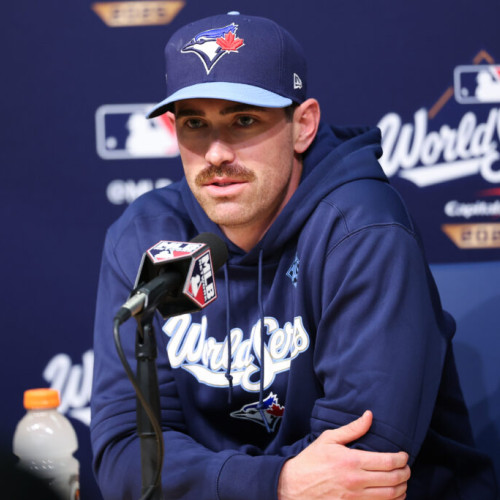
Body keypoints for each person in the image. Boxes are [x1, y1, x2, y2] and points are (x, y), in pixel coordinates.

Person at [90, 11, 499, 500]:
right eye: (195, 124)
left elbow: (363, 466)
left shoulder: (362, 229)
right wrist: (278, 484)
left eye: (244, 120)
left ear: (302, 125)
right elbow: (126, 455)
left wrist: (210, 482)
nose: (216, 153)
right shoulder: (144, 235)